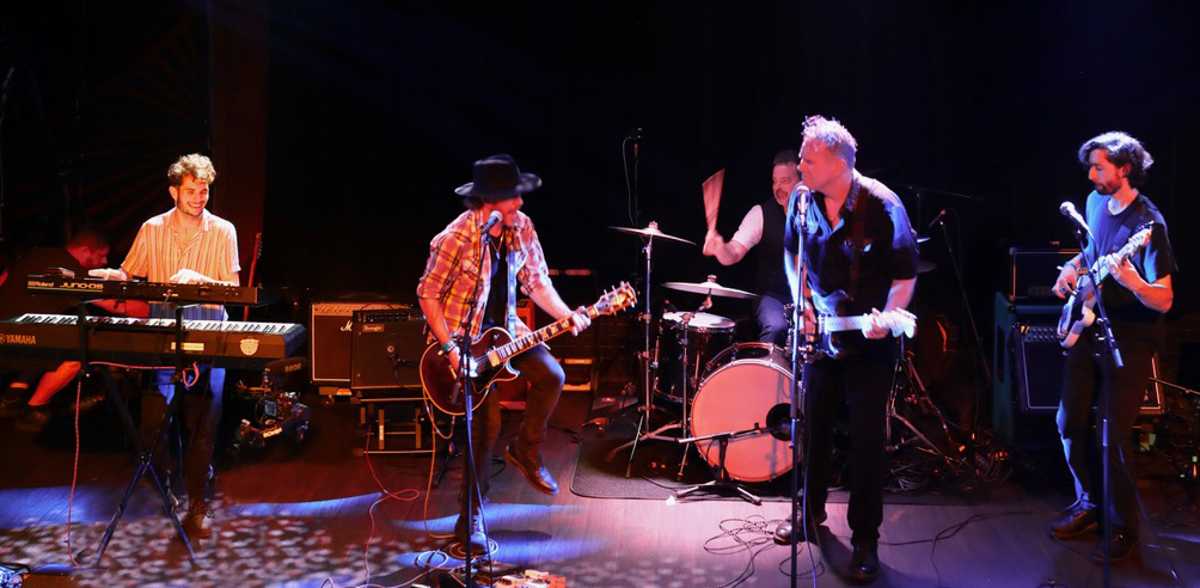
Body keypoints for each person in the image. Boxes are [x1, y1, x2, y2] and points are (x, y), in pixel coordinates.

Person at [416, 154, 590, 552]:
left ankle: (525, 450)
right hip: (461, 343)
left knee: (552, 375)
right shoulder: (455, 238)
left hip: (506, 333)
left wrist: (567, 315)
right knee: (486, 427)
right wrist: (450, 349)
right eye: (513, 197)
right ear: (490, 202)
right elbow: (427, 295)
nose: (521, 203)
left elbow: (537, 282)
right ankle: (470, 519)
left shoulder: (522, 227)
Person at [779, 116, 918, 584]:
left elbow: (905, 276)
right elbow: (791, 254)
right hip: (820, 338)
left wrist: (888, 317)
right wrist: (801, 302)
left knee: (865, 440)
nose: (800, 167)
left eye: (808, 160)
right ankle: (808, 514)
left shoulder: (883, 205)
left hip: (869, 345)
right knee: (813, 429)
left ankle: (864, 540)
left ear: (838, 163)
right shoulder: (802, 201)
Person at [90, 153, 240, 540]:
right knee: (154, 423)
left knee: (202, 426)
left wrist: (199, 279)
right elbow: (130, 272)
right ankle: (167, 491)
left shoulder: (224, 231)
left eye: (204, 191)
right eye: (191, 191)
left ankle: (199, 502)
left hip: (209, 336)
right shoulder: (152, 228)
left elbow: (234, 289)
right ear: (174, 191)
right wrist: (113, 276)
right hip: (163, 338)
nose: (199, 198)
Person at [1050, 131, 1174, 563]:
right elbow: (1092, 250)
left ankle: (1125, 529)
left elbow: (1164, 299)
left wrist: (1134, 282)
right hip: (1089, 326)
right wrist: (1072, 267)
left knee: (1112, 436)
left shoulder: (1149, 226)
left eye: (1099, 168)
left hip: (1131, 338)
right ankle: (1090, 503)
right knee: (1068, 422)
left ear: (1125, 169)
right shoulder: (1094, 202)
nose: (1091, 175)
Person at [0, 229, 148, 430]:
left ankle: (15, 392)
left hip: (7, 330)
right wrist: (153, 310)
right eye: (101, 255)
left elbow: (5, 277)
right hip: (24, 336)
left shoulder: (36, 253)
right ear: (86, 251)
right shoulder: (70, 271)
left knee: (54, 335)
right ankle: (35, 407)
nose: (104, 262)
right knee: (79, 351)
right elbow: (115, 305)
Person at [702, 149, 801, 345]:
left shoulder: (819, 212)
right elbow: (733, 253)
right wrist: (720, 247)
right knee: (776, 327)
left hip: (810, 299)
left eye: (785, 181)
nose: (778, 187)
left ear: (802, 182)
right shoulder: (761, 213)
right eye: (775, 181)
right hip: (773, 297)